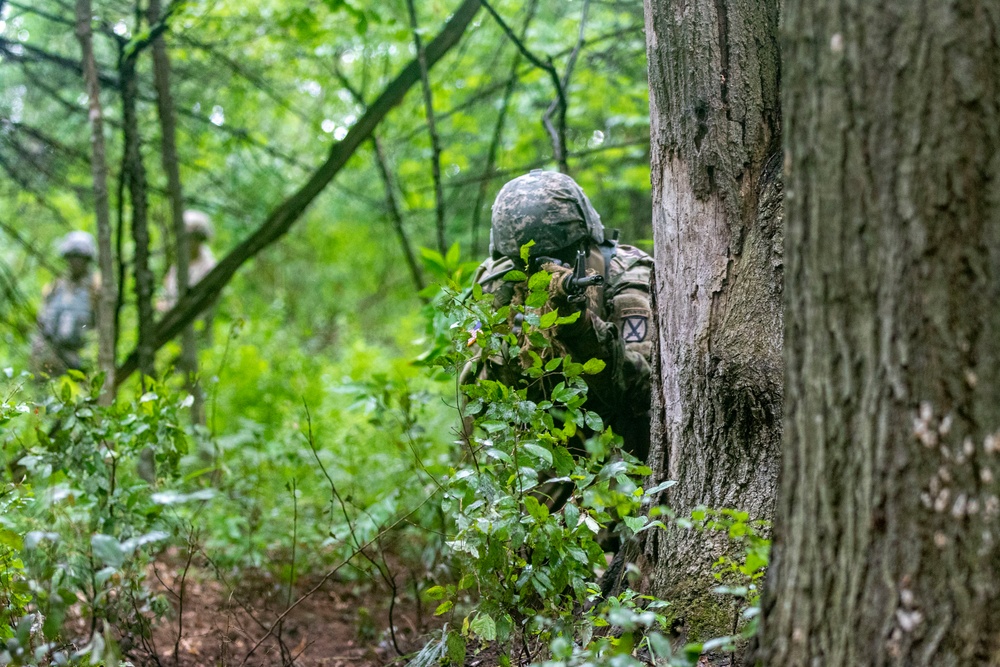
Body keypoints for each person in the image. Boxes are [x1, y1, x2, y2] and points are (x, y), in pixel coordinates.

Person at [467, 169, 653, 461]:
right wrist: (507, 350)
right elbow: (475, 396)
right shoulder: (497, 283)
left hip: (618, 445)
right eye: (524, 260)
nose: (544, 271)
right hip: (539, 447)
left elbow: (645, 389)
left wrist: (583, 331)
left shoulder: (627, 275)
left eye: (561, 256)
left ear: (584, 242)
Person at [31, 231, 100, 377]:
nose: (75, 262)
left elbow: (102, 328)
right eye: (72, 257)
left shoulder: (96, 287)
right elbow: (42, 324)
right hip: (54, 358)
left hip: (82, 360)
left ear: (87, 259)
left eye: (80, 257)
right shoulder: (55, 287)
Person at [160, 209, 217, 311]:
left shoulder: (208, 267)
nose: (187, 242)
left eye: (191, 237)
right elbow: (166, 292)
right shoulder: (178, 261)